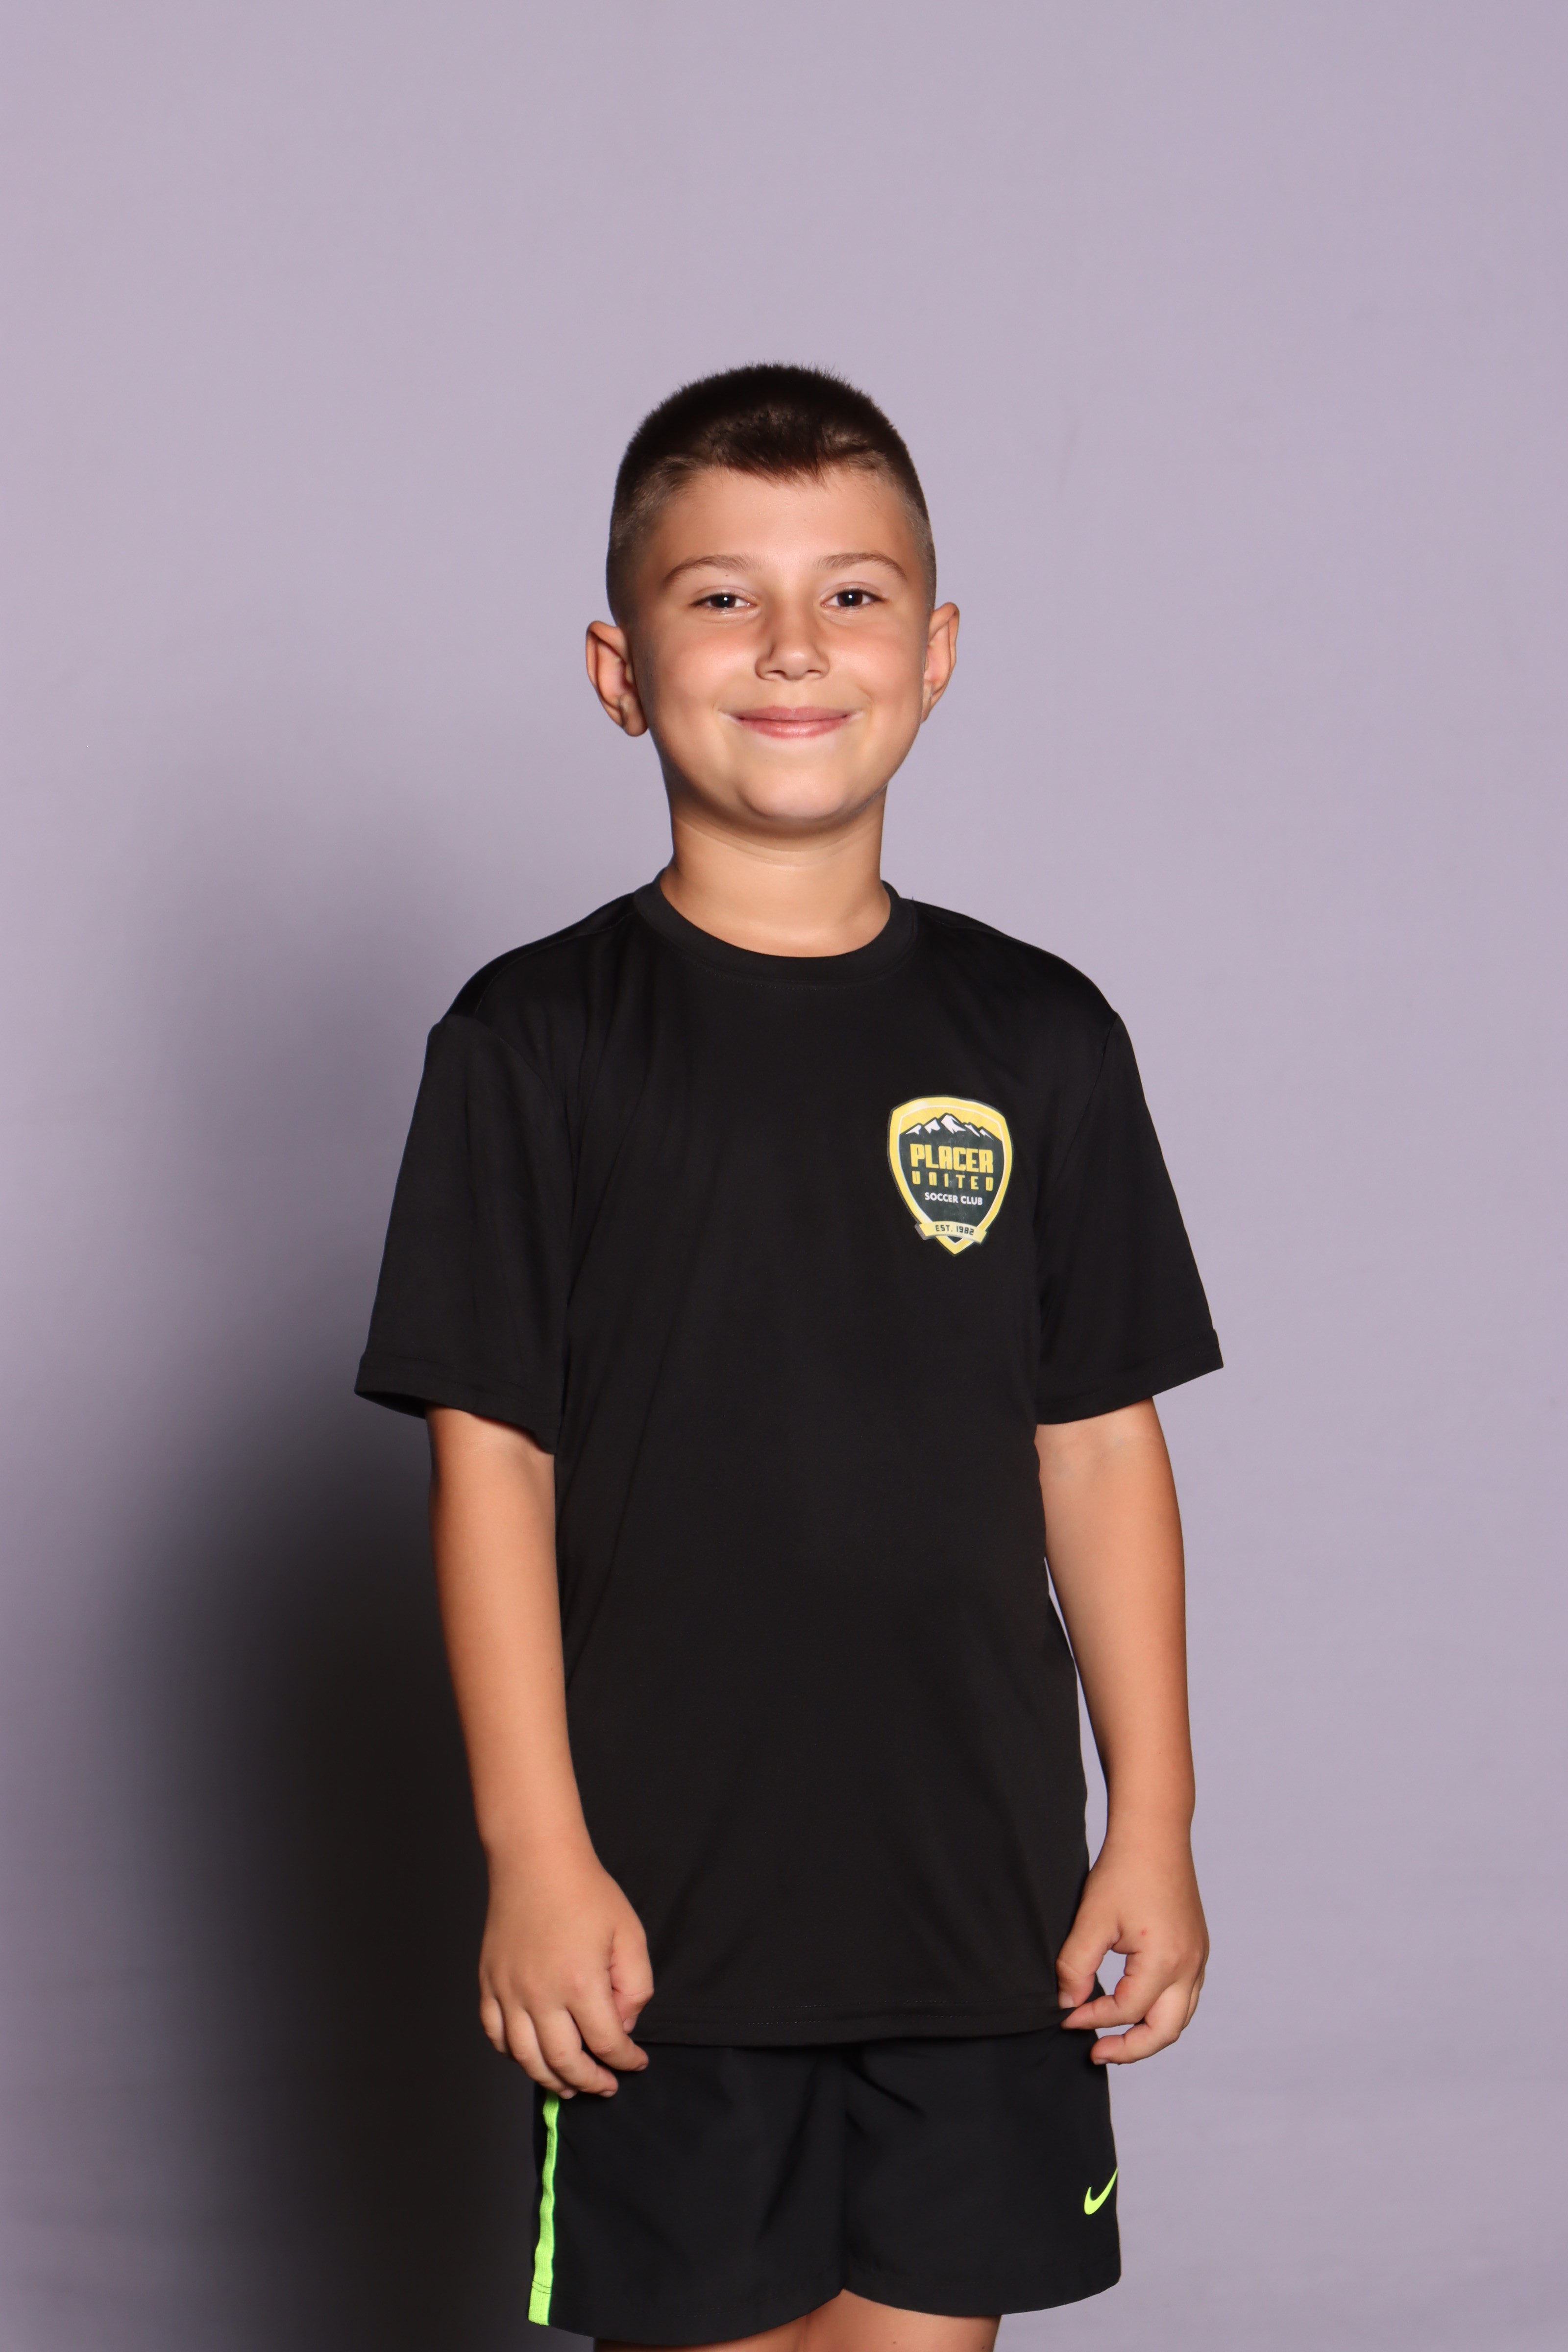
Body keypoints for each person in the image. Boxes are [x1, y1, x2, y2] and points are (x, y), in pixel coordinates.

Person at [356, 364, 1221, 2352]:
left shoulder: (1042, 1037)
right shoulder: (531, 1043)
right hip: (666, 1920)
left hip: (978, 1908)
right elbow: (491, 1466)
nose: (791, 647)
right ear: (619, 669)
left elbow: (1097, 1447)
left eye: (849, 594)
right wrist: (534, 1852)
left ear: (935, 653)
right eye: (720, 597)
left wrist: (1154, 1822)